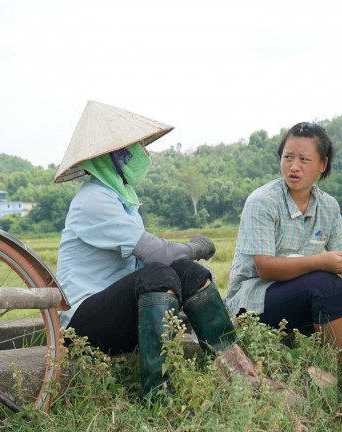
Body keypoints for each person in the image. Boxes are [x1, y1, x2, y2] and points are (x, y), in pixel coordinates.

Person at [54, 100, 252, 401]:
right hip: (83, 326)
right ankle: (159, 396)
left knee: (189, 272)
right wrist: (195, 246)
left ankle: (241, 373)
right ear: (117, 156)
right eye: (138, 148)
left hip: (120, 314)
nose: (146, 154)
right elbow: (158, 254)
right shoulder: (93, 200)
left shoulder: (122, 200)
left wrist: (190, 257)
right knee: (160, 272)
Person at [227, 122, 342, 354]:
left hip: (306, 298)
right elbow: (265, 268)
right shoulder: (262, 201)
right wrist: (321, 263)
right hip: (256, 302)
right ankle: (335, 361)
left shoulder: (328, 205)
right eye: (288, 157)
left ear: (323, 164)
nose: (294, 167)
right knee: (324, 282)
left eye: (304, 160)